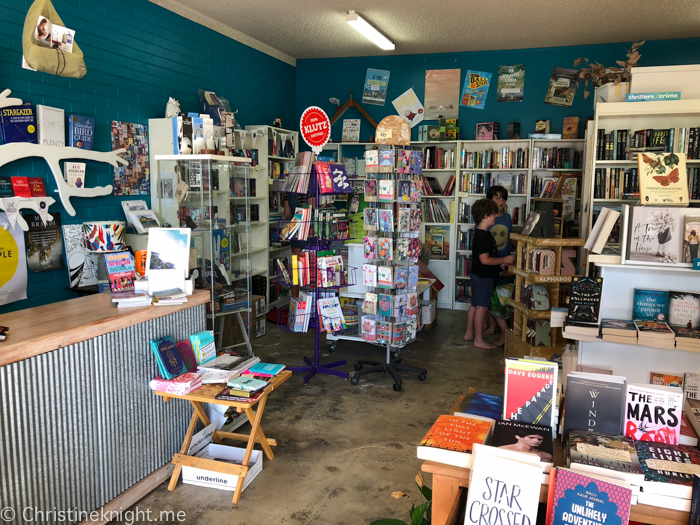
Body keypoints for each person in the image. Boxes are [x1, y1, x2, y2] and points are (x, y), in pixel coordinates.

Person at [464, 199, 516, 349]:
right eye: (493, 214)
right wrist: (504, 259)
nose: (495, 217)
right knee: (482, 308)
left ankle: (469, 333)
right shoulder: (483, 236)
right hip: (484, 277)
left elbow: (485, 259)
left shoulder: (480, 233)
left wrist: (500, 263)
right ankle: (478, 340)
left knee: (474, 305)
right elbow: (485, 260)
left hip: (477, 274)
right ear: (486, 216)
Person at [484, 185, 515, 335]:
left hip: (505, 260)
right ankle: (492, 324)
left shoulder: (507, 217)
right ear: (490, 199)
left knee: (499, 294)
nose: (501, 201)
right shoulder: (486, 218)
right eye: (497, 198)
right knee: (489, 294)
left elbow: (510, 237)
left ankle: (500, 324)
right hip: (490, 260)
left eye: (503, 198)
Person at [283, 192, 314, 298]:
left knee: (295, 268)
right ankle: (310, 298)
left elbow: (287, 214)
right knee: (311, 266)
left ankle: (295, 299)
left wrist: (296, 215)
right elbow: (312, 209)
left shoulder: (289, 192)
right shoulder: (310, 189)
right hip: (308, 230)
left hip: (295, 230)